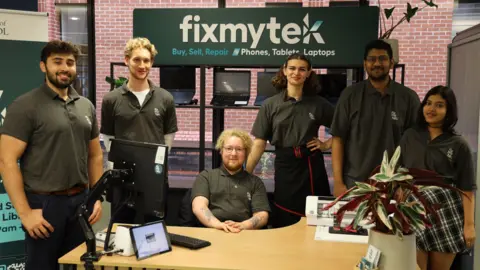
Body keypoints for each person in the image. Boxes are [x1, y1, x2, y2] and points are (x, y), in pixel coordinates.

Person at [0, 40, 103, 270]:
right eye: (57, 61)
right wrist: (25, 213)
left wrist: (95, 196)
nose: (65, 67)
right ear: (43, 66)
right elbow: (6, 161)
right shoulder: (25, 106)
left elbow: (95, 155)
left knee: (79, 265)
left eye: (70, 62)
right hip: (44, 205)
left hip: (80, 203)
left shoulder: (86, 106)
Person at [247, 53, 334, 228]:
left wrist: (325, 145)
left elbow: (343, 131)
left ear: (309, 73)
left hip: (312, 166)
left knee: (316, 219)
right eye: (292, 68)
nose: (297, 73)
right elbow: (259, 142)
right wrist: (246, 174)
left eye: (302, 69)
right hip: (285, 165)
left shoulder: (318, 104)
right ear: (284, 71)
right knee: (285, 216)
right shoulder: (270, 105)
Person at [100, 37, 178, 223]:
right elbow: (108, 137)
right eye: (137, 60)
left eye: (146, 60)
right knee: (120, 230)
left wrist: (157, 166)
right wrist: (118, 166)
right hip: (123, 179)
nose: (142, 65)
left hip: (155, 179)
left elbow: (168, 138)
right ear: (127, 60)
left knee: (154, 232)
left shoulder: (165, 98)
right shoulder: (111, 99)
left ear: (151, 62)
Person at [330, 39, 420, 197]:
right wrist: (338, 182)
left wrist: (405, 184)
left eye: (382, 58)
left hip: (393, 185)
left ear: (391, 63)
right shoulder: (350, 95)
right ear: (365, 64)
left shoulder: (408, 98)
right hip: (355, 184)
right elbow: (338, 139)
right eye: (372, 59)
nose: (377, 63)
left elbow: (414, 145)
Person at [399, 86, 476, 270]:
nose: (431, 108)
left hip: (446, 212)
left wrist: (469, 225)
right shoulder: (410, 136)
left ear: (449, 111)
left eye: (439, 105)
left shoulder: (459, 144)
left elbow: (466, 188)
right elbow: (398, 171)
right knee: (413, 266)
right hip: (413, 210)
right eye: (429, 103)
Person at [192, 129, 270, 232]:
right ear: (221, 150)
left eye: (239, 149)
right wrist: (218, 225)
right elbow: (199, 206)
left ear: (246, 152)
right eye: (229, 148)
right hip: (212, 232)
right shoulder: (206, 177)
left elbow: (262, 215)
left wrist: (243, 226)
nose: (233, 153)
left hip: (244, 234)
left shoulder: (255, 182)